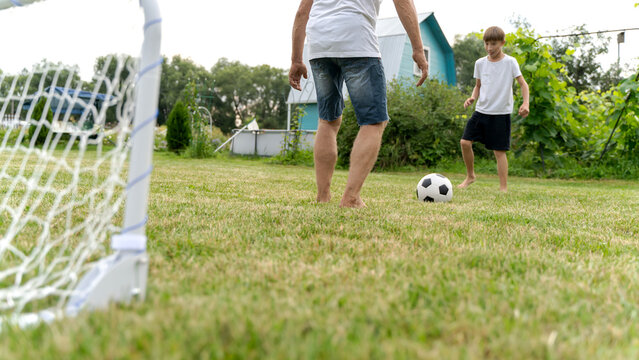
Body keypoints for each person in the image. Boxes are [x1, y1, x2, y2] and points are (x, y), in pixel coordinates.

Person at [289, 0, 429, 208]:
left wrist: (296, 59)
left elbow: (302, 12)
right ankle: (351, 197)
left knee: (327, 120)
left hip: (320, 43)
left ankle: (323, 196)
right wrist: (418, 48)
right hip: (357, 39)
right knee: (373, 122)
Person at [458, 26, 530, 192]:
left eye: (494, 44)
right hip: (481, 111)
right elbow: (478, 86)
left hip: (501, 114)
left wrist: (525, 104)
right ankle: (470, 176)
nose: (489, 48)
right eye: (487, 44)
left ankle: (503, 188)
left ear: (502, 43)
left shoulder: (510, 62)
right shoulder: (480, 63)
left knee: (499, 152)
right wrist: (472, 97)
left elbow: (523, 84)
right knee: (465, 142)